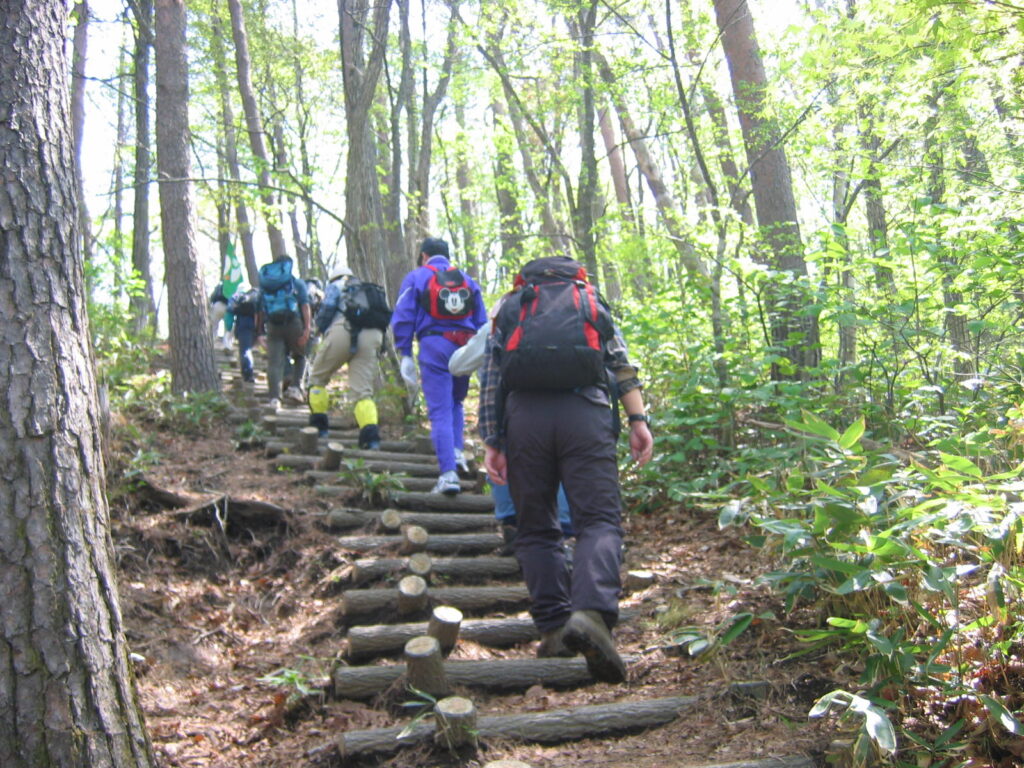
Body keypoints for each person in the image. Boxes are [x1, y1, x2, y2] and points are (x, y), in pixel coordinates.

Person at [480, 256, 654, 683]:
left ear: (528, 278)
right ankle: (591, 613)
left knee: (535, 526)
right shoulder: (589, 301)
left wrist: (492, 441)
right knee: (598, 521)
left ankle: (555, 628)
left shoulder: (510, 307)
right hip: (585, 413)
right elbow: (621, 366)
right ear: (578, 275)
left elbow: (491, 378)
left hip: (524, 420)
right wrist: (638, 421)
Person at [391, 237, 487, 495]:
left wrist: (405, 352)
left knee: (440, 410)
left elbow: (403, 316)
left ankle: (448, 475)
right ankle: (456, 453)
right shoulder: (467, 280)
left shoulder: (417, 277)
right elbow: (483, 320)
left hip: (435, 346)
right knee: (456, 402)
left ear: (424, 255)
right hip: (465, 346)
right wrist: (481, 355)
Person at [306, 267, 389, 446]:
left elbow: (328, 309)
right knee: (363, 393)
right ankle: (371, 439)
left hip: (343, 329)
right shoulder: (366, 291)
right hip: (372, 335)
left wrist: (316, 330)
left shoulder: (336, 286)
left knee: (317, 379)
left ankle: (320, 429)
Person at [256, 256, 311, 409]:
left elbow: (259, 310)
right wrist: (307, 328)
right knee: (300, 355)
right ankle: (295, 389)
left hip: (272, 326)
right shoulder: (296, 283)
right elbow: (305, 306)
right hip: (294, 323)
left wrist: (260, 333)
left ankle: (274, 399)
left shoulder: (266, 286)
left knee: (274, 363)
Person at [227, 285, 261, 384]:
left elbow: (233, 310)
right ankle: (248, 374)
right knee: (247, 351)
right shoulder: (257, 300)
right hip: (251, 325)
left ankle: (247, 373)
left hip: (241, 325)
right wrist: (257, 329)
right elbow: (257, 314)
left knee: (244, 350)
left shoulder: (242, 299)